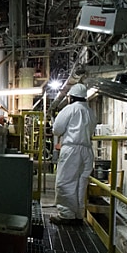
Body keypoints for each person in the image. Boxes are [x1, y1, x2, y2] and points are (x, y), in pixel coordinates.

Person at [51, 83, 95, 224]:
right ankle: (78, 215)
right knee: (81, 183)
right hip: (87, 150)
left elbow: (57, 129)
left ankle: (66, 214)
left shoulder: (70, 109)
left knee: (65, 181)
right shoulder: (90, 111)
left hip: (72, 149)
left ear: (72, 97)